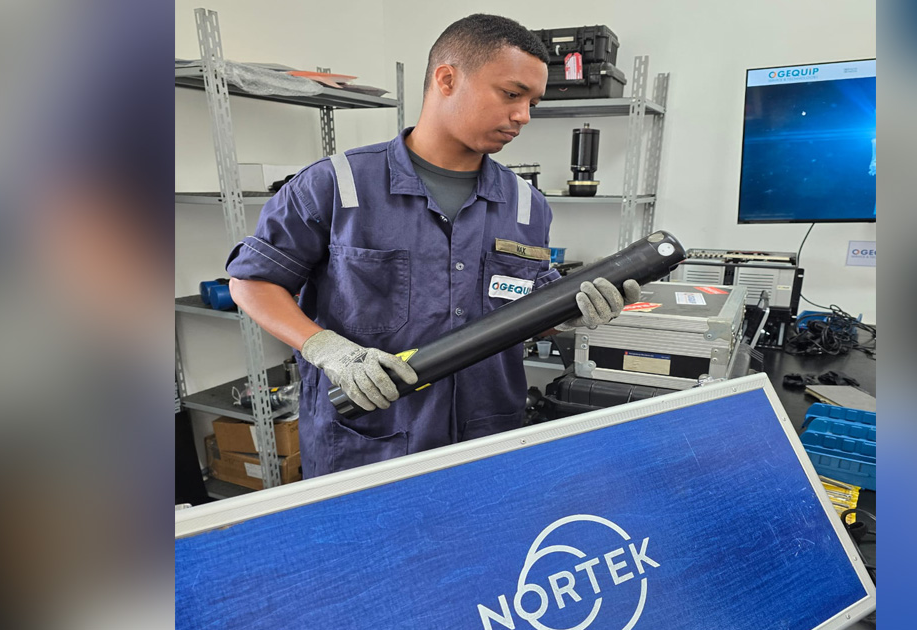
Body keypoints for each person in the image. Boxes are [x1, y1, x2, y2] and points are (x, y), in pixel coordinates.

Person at [225, 14, 640, 478]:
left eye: (532, 102)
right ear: (447, 79)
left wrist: (568, 314)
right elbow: (251, 282)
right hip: (367, 448)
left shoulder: (527, 205)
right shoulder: (336, 186)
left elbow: (522, 310)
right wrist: (326, 348)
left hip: (486, 443)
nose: (523, 115)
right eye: (511, 94)